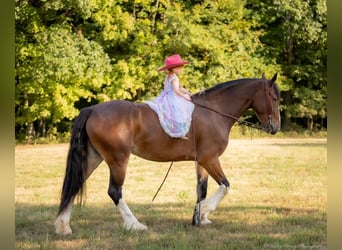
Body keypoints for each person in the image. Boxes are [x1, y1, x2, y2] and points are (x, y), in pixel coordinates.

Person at [146, 54, 195, 140]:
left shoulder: (168, 76)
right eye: (179, 67)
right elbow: (176, 90)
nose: (181, 69)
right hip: (172, 97)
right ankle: (179, 132)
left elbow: (180, 88)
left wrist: (189, 93)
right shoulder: (175, 78)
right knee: (181, 112)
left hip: (165, 96)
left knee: (172, 113)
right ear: (173, 68)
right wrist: (185, 96)